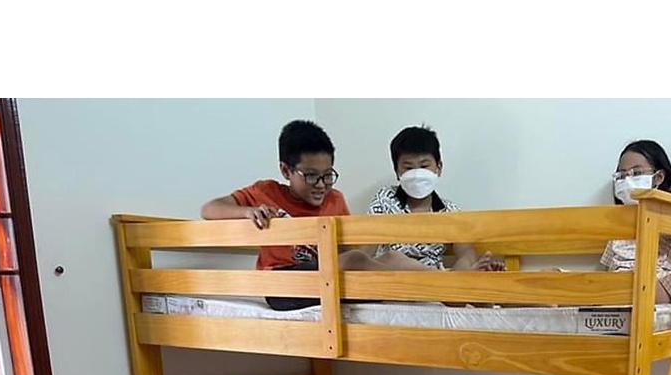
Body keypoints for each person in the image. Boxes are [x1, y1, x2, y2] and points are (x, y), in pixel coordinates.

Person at [201, 119, 361, 309]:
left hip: (326, 278)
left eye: (327, 175)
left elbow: (346, 248)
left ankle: (390, 280)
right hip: (282, 285)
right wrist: (247, 211)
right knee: (353, 261)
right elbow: (209, 209)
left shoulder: (335, 199)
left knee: (385, 257)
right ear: (286, 170)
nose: (320, 185)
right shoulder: (266, 193)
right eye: (311, 175)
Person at [365, 125, 502, 271]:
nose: (417, 174)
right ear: (397, 171)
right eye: (408, 168)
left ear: (439, 167)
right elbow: (365, 252)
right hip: (392, 278)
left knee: (466, 264)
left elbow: (466, 254)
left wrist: (468, 268)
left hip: (434, 280)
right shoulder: (385, 199)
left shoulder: (449, 211)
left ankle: (442, 278)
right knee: (392, 257)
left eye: (424, 166)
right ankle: (441, 277)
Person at [601, 140, 671, 303]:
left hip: (657, 280)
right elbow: (608, 266)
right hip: (617, 280)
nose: (628, 180)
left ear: (658, 177)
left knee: (639, 286)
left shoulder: (664, 211)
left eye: (637, 173)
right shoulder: (617, 220)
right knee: (557, 277)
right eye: (622, 175)